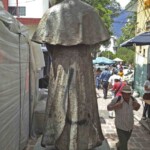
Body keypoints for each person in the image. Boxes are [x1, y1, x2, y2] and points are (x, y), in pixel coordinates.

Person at [32, 0, 110, 149]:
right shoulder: (90, 12)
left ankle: (63, 139)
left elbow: (48, 44)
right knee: (80, 99)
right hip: (83, 63)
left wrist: (62, 52)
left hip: (61, 63)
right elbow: (95, 43)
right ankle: (80, 140)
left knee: (61, 100)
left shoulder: (52, 12)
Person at [107, 85, 140, 150]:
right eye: (125, 94)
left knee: (124, 141)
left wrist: (138, 106)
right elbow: (108, 108)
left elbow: (137, 109)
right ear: (122, 93)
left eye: (129, 94)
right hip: (120, 126)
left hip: (130, 126)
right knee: (124, 145)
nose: (127, 96)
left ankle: (118, 144)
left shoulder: (133, 99)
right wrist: (115, 106)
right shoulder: (117, 99)